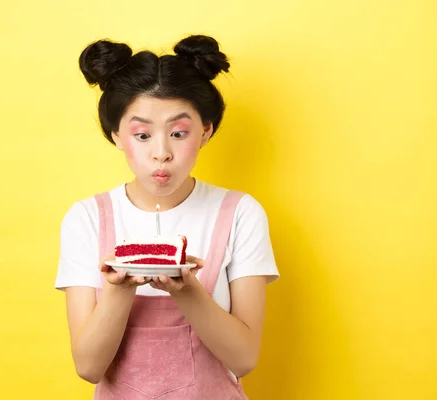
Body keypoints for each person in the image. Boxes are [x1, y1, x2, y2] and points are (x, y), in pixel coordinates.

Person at [55, 34, 280, 400]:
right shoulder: (87, 218)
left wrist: (188, 289)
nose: (161, 153)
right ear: (116, 136)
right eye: (142, 135)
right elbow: (89, 367)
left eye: (178, 133)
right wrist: (120, 287)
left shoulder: (240, 213)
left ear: (206, 131)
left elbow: (243, 359)